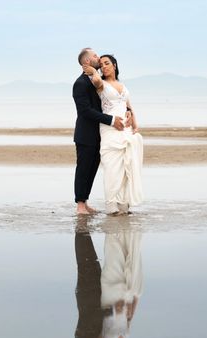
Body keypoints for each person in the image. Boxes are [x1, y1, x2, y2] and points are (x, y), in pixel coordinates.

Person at [83, 54, 143, 215]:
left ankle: (123, 204)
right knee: (112, 167)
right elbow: (95, 81)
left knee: (126, 165)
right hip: (110, 129)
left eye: (107, 63)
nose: (104, 67)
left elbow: (128, 105)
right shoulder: (100, 83)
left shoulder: (122, 85)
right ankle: (111, 205)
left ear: (115, 65)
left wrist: (134, 122)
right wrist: (92, 71)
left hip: (126, 129)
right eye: (101, 65)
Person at [72, 48, 129, 215]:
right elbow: (85, 111)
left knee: (92, 169)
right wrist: (111, 120)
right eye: (95, 56)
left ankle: (85, 201)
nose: (99, 57)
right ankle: (80, 205)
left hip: (100, 134)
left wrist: (128, 112)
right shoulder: (80, 83)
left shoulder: (98, 80)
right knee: (83, 169)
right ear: (87, 62)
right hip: (86, 134)